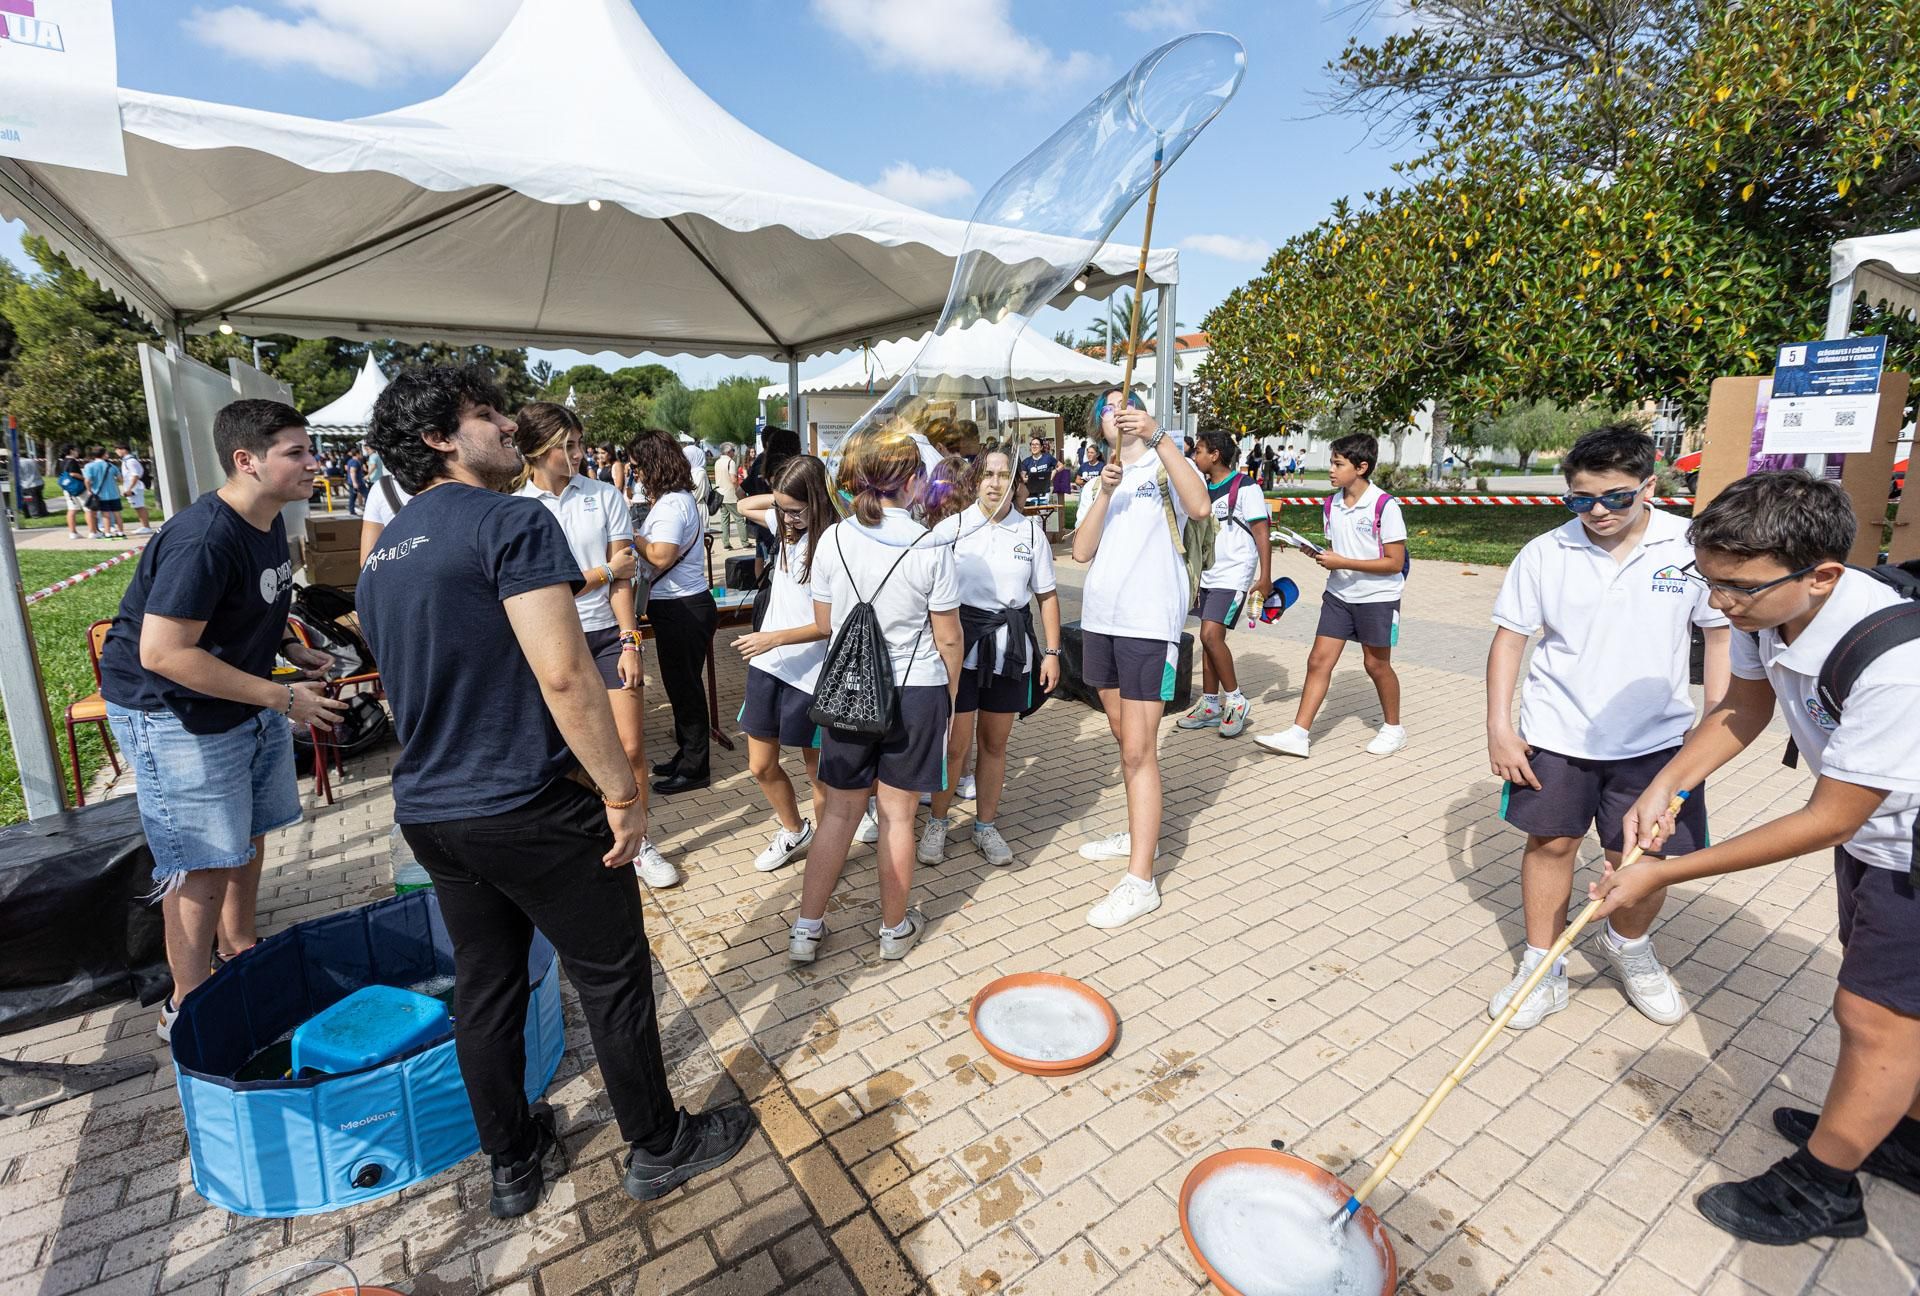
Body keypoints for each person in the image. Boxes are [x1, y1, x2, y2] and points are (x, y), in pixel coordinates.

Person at [357, 365, 754, 1220]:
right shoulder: (510, 518)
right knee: (612, 976)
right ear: (437, 439)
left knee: (487, 986)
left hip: (431, 811)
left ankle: (512, 1159)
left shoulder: (385, 549)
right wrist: (622, 788)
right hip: (524, 803)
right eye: (488, 415)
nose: (509, 427)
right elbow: (567, 672)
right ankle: (657, 1144)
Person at [1595, 470, 1920, 1247]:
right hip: (1882, 842)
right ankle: (1901, 1132)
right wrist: (1665, 784)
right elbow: (1743, 706)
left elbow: (1826, 819)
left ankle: (1824, 1191)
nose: (1719, 606)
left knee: (1874, 1016)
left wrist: (1662, 871)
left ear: (1824, 576)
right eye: (1709, 583)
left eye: (1736, 588)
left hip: (1902, 847)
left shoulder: (1896, 662)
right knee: (1896, 1010)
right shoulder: (1763, 605)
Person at [98, 400, 345, 1042]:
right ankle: (188, 1007)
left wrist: (288, 646)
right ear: (247, 461)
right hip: (173, 713)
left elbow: (255, 599)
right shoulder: (204, 537)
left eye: (308, 449)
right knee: (202, 860)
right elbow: (162, 653)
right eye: (297, 452)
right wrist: (280, 697)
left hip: (239, 698)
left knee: (249, 834)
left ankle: (241, 951)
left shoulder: (267, 520)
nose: (313, 463)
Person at [1483, 424, 1730, 1030]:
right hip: (1556, 733)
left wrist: (1712, 728)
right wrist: (1498, 725)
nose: (1597, 511)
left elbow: (1720, 636)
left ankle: (1630, 947)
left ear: (1650, 486)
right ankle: (1543, 965)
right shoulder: (1545, 552)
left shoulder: (1687, 546)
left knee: (1642, 857)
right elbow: (1510, 638)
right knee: (1552, 845)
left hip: (1656, 742)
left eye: (1616, 497)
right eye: (1581, 498)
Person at [787, 430, 961, 965]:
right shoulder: (931, 543)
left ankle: (805, 929)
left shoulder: (833, 539)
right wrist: (950, 699)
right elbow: (949, 636)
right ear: (911, 482)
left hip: (851, 690)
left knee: (838, 813)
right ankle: (892, 930)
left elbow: (824, 622)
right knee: (898, 816)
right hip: (916, 690)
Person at [514, 402, 679, 889]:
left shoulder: (605, 495)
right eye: (565, 446)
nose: (577, 453)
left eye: (579, 443)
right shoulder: (514, 507)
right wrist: (603, 572)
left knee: (629, 747)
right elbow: (550, 587)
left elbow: (625, 580)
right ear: (535, 451)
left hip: (608, 635)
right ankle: (586, 841)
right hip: (545, 641)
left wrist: (631, 640)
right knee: (567, 754)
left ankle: (641, 841)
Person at [1071, 388, 1211, 929]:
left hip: (1149, 624)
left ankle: (1140, 880)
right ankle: (1138, 830)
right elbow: (1082, 552)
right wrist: (1103, 493)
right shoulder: (1098, 479)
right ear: (1100, 426)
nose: (1119, 409)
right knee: (1120, 733)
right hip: (1102, 620)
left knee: (1137, 750)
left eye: (1127, 401)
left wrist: (1158, 436)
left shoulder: (1162, 462)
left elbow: (1198, 507)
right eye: (1109, 407)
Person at [919, 444, 1061, 867]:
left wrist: (1052, 652)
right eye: (989, 475)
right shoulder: (951, 529)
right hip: (960, 650)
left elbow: (1047, 595)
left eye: (1005, 475)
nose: (996, 483)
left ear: (1016, 482)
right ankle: (938, 822)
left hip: (1010, 649)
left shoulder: (1030, 532)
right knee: (955, 745)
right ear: (975, 480)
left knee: (995, 744)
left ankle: (985, 825)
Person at [1256, 432, 1407, 759]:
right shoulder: (1331, 504)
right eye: (1332, 463)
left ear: (1362, 467)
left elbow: (1394, 563)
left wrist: (1342, 561)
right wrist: (1321, 555)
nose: (1331, 470)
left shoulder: (1385, 506)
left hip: (1377, 597)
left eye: (1338, 464)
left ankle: (1394, 728)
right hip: (1339, 595)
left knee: (1376, 665)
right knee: (1317, 661)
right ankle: (1299, 734)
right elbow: (1340, 551)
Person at [734, 455, 835, 872]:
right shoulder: (785, 527)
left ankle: (829, 850)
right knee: (760, 764)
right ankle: (795, 830)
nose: (786, 519)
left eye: (796, 510)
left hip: (811, 673)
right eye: (781, 509)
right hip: (768, 666)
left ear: (818, 501)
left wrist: (772, 637)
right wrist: (781, 503)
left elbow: (825, 625)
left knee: (819, 774)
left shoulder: (832, 543)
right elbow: (742, 506)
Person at [630, 429, 719, 796]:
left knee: (685, 690)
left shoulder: (670, 505)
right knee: (682, 686)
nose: (635, 473)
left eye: (637, 467)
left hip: (681, 607)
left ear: (653, 464)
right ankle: (687, 755)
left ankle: (696, 767)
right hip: (682, 606)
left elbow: (661, 556)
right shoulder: (676, 499)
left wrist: (630, 533)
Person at [1177, 431, 1272, 738]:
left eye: (1200, 451)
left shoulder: (1246, 488)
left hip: (1233, 576)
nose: (1196, 457)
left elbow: (1261, 533)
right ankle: (1210, 705)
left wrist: (1264, 577)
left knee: (1210, 634)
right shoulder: (1202, 487)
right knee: (1209, 640)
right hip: (1206, 574)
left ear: (1215, 454)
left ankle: (1235, 699)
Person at [83, 445, 126, 539]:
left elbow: (87, 480)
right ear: (104, 455)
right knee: (117, 513)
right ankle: (121, 532)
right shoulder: (111, 466)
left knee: (105, 514)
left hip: (100, 495)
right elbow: (120, 479)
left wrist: (89, 490)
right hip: (114, 494)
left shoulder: (89, 466)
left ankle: (108, 533)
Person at [714, 441, 745, 549]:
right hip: (730, 494)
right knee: (739, 518)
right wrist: (739, 490)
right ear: (728, 452)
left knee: (724, 519)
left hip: (720, 494)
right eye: (733, 450)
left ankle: (726, 543)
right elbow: (733, 479)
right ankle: (745, 542)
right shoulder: (730, 462)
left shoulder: (717, 462)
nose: (734, 452)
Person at [117, 444, 154, 534]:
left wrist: (130, 488)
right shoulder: (126, 461)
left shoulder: (130, 461)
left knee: (139, 506)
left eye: (118, 449)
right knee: (137, 506)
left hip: (135, 487)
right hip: (133, 486)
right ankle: (144, 526)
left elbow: (135, 475)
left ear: (124, 450)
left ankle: (146, 526)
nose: (116, 452)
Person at [1018, 436, 1057, 508]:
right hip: (1030, 494)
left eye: (1036, 444)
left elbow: (1061, 466)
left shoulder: (1048, 457)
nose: (1034, 446)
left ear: (1041, 447)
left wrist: (1055, 471)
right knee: (1031, 516)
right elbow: (1022, 479)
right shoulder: (1026, 461)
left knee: (1042, 515)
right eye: (1032, 444)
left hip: (1045, 493)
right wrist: (1033, 478)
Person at [57, 445, 86, 538]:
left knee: (72, 509)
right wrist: (84, 478)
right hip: (78, 487)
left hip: (68, 488)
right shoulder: (72, 461)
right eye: (76, 450)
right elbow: (73, 473)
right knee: (88, 509)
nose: (77, 452)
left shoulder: (62, 462)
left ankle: (73, 532)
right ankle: (93, 531)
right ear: (71, 451)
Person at [344, 446, 367, 514]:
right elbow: (352, 471)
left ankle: (352, 510)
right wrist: (355, 482)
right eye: (360, 453)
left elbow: (348, 469)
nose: (361, 455)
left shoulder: (350, 461)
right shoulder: (355, 462)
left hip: (351, 481)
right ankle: (368, 509)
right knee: (367, 495)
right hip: (358, 482)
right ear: (357, 454)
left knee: (352, 496)